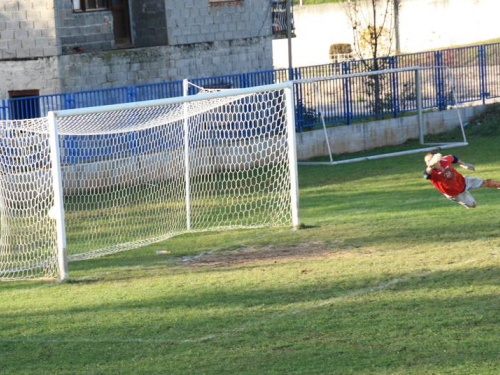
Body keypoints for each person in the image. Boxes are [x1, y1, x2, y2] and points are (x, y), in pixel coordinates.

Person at [423, 152, 500, 209]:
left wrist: (464, 165)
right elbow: (426, 175)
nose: (428, 163)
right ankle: (465, 201)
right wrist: (430, 166)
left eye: (430, 160)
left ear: (436, 159)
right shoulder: (431, 172)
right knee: (473, 205)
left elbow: (453, 158)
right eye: (427, 162)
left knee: (485, 182)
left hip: (463, 181)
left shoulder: (444, 160)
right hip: (455, 193)